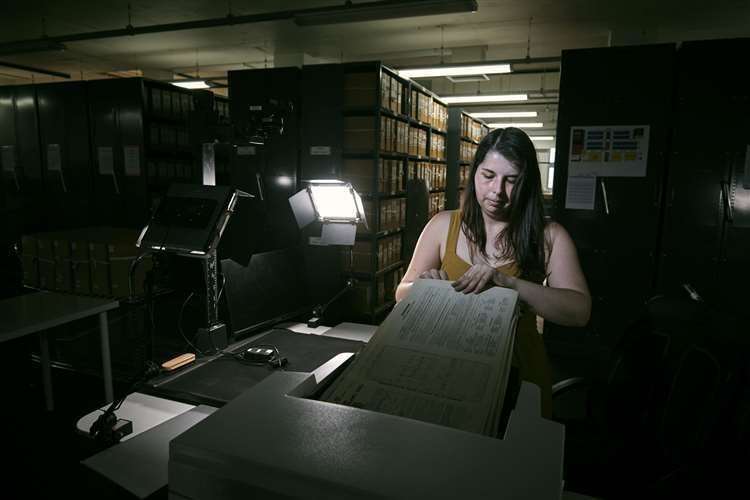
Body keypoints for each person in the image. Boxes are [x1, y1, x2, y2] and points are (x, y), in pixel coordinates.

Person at [395, 127, 591, 417]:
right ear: (474, 173)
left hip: (519, 373)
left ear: (527, 183)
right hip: (446, 365)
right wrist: (424, 287)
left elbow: (578, 311)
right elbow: (401, 293)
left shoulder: (549, 235)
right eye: (488, 176)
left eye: (511, 180)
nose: (497, 191)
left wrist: (508, 283)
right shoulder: (442, 224)